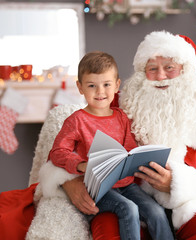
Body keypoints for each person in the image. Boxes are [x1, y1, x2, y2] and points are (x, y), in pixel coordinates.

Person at [49, 51, 174, 240]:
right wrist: (80, 164)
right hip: (98, 186)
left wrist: (138, 159)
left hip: (126, 183)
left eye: (106, 85)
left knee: (156, 212)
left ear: (117, 85)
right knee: (128, 208)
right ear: (80, 87)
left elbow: (130, 149)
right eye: (92, 86)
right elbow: (57, 152)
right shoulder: (76, 121)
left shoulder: (122, 117)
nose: (100, 92)